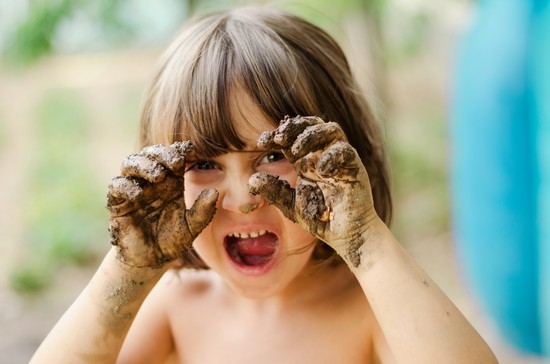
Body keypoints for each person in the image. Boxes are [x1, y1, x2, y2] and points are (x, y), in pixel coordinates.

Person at [30, 5, 497, 363]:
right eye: (204, 165)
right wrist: (127, 271)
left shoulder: (374, 310)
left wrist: (366, 244)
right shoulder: (177, 307)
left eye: (274, 156)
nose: (244, 199)